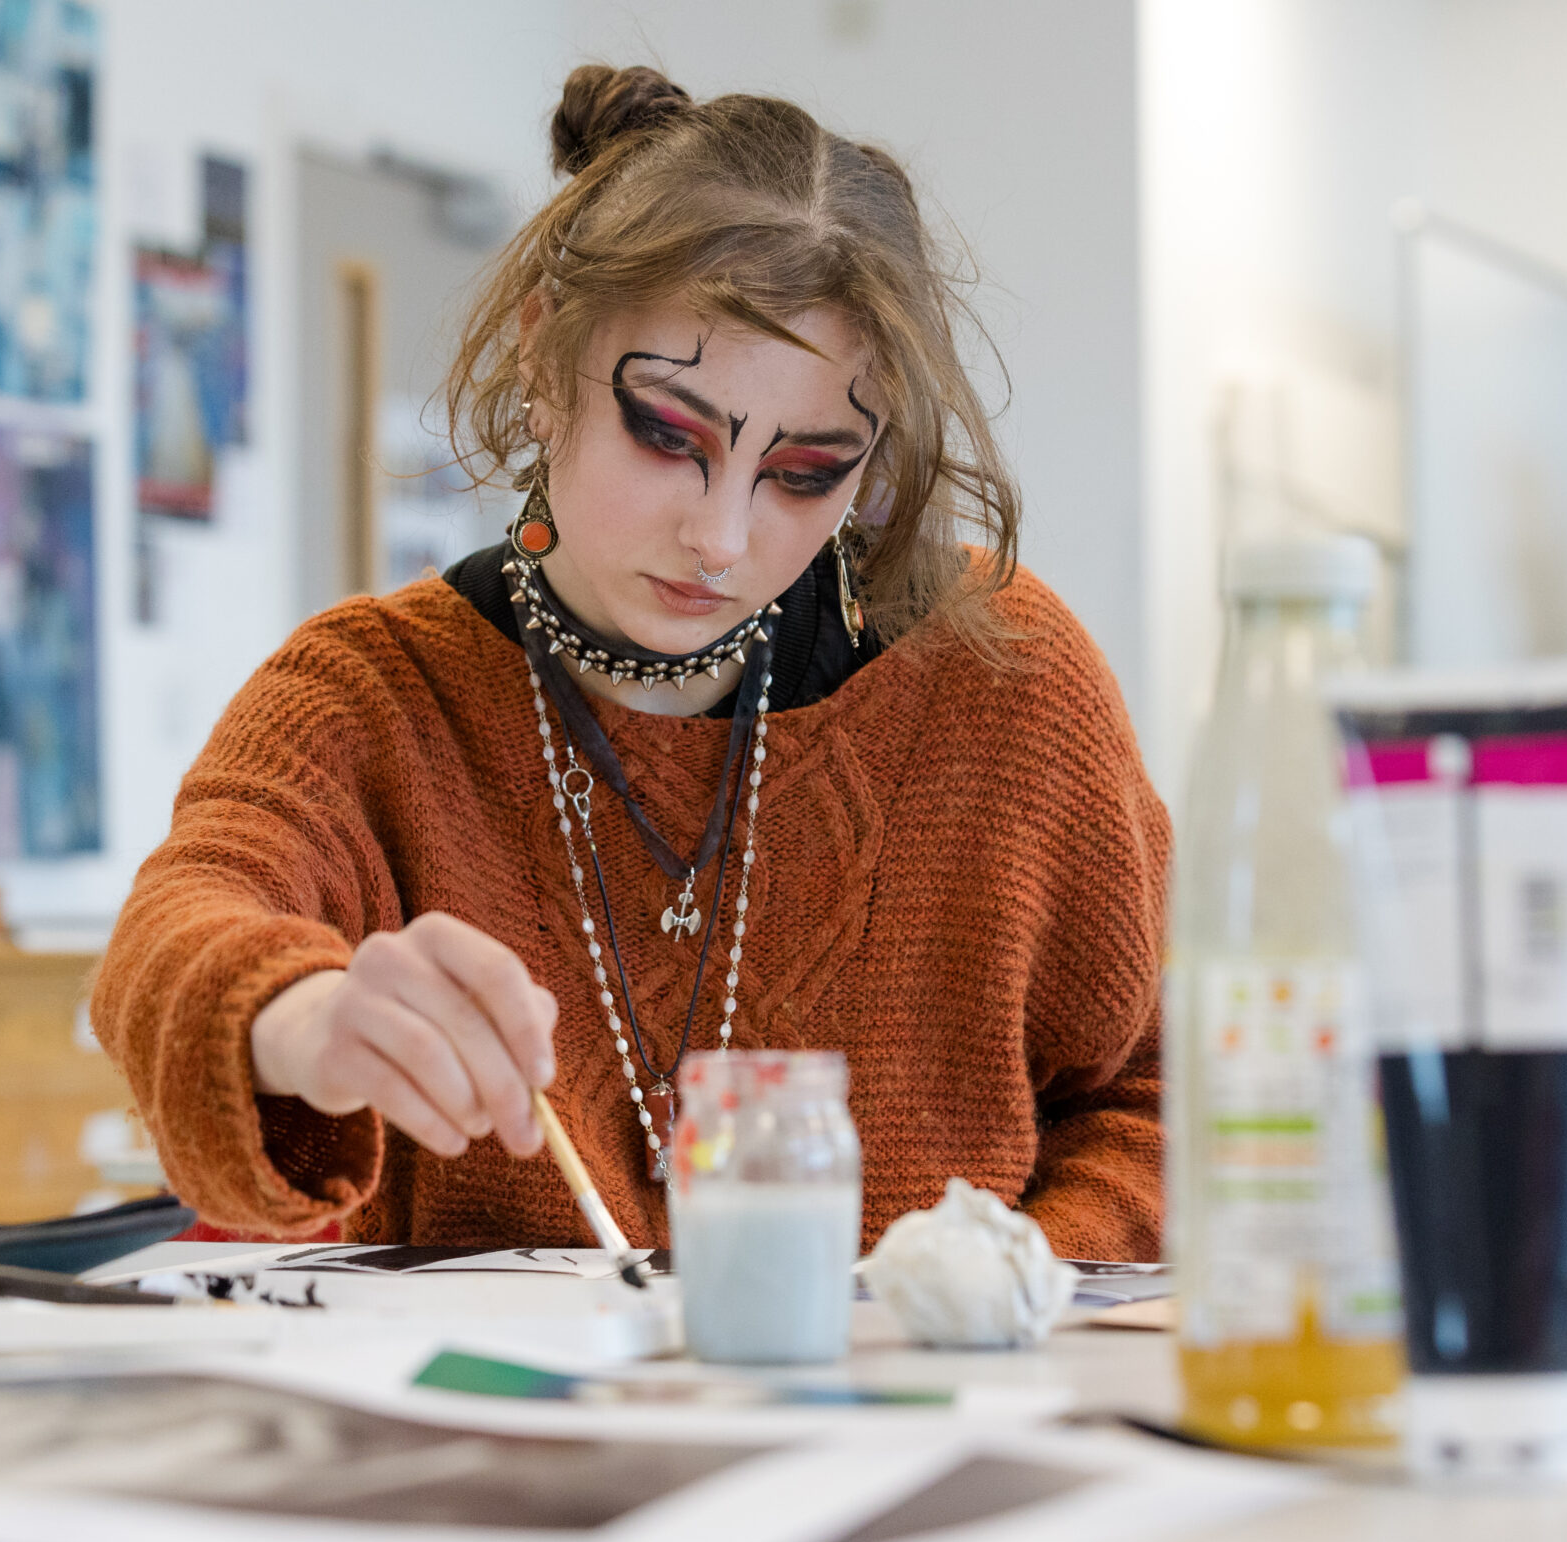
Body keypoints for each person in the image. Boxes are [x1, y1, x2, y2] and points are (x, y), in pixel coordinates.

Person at [91, 66, 1167, 1259]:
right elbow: (178, 931)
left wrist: (1009, 1291)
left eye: (806, 471)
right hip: (512, 1430)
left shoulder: (1005, 679)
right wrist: (300, 1017)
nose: (720, 536)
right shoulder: (371, 697)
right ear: (546, 358)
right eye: (667, 434)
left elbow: (1166, 1099)